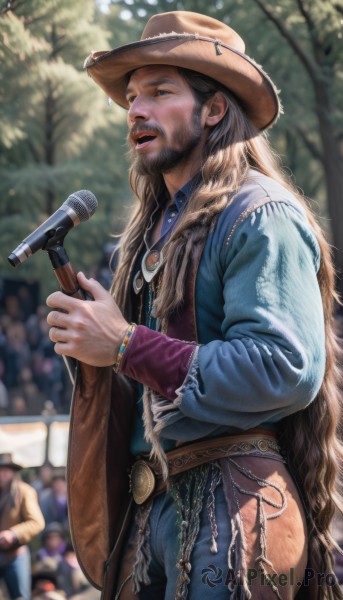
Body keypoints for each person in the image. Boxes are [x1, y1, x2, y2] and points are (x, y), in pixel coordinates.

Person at [45, 11, 343, 600]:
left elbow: (285, 366)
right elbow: (141, 383)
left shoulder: (262, 214)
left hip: (237, 503)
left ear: (213, 110)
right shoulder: (151, 233)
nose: (136, 110)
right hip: (150, 507)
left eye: (160, 92)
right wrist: (94, 348)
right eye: (132, 97)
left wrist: (128, 344)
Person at [0, 452, 45, 599]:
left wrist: (12, 534)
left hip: (15, 555)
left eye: (6, 470)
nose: (2, 474)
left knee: (20, 597)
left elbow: (37, 522)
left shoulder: (24, 491)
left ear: (12, 472)